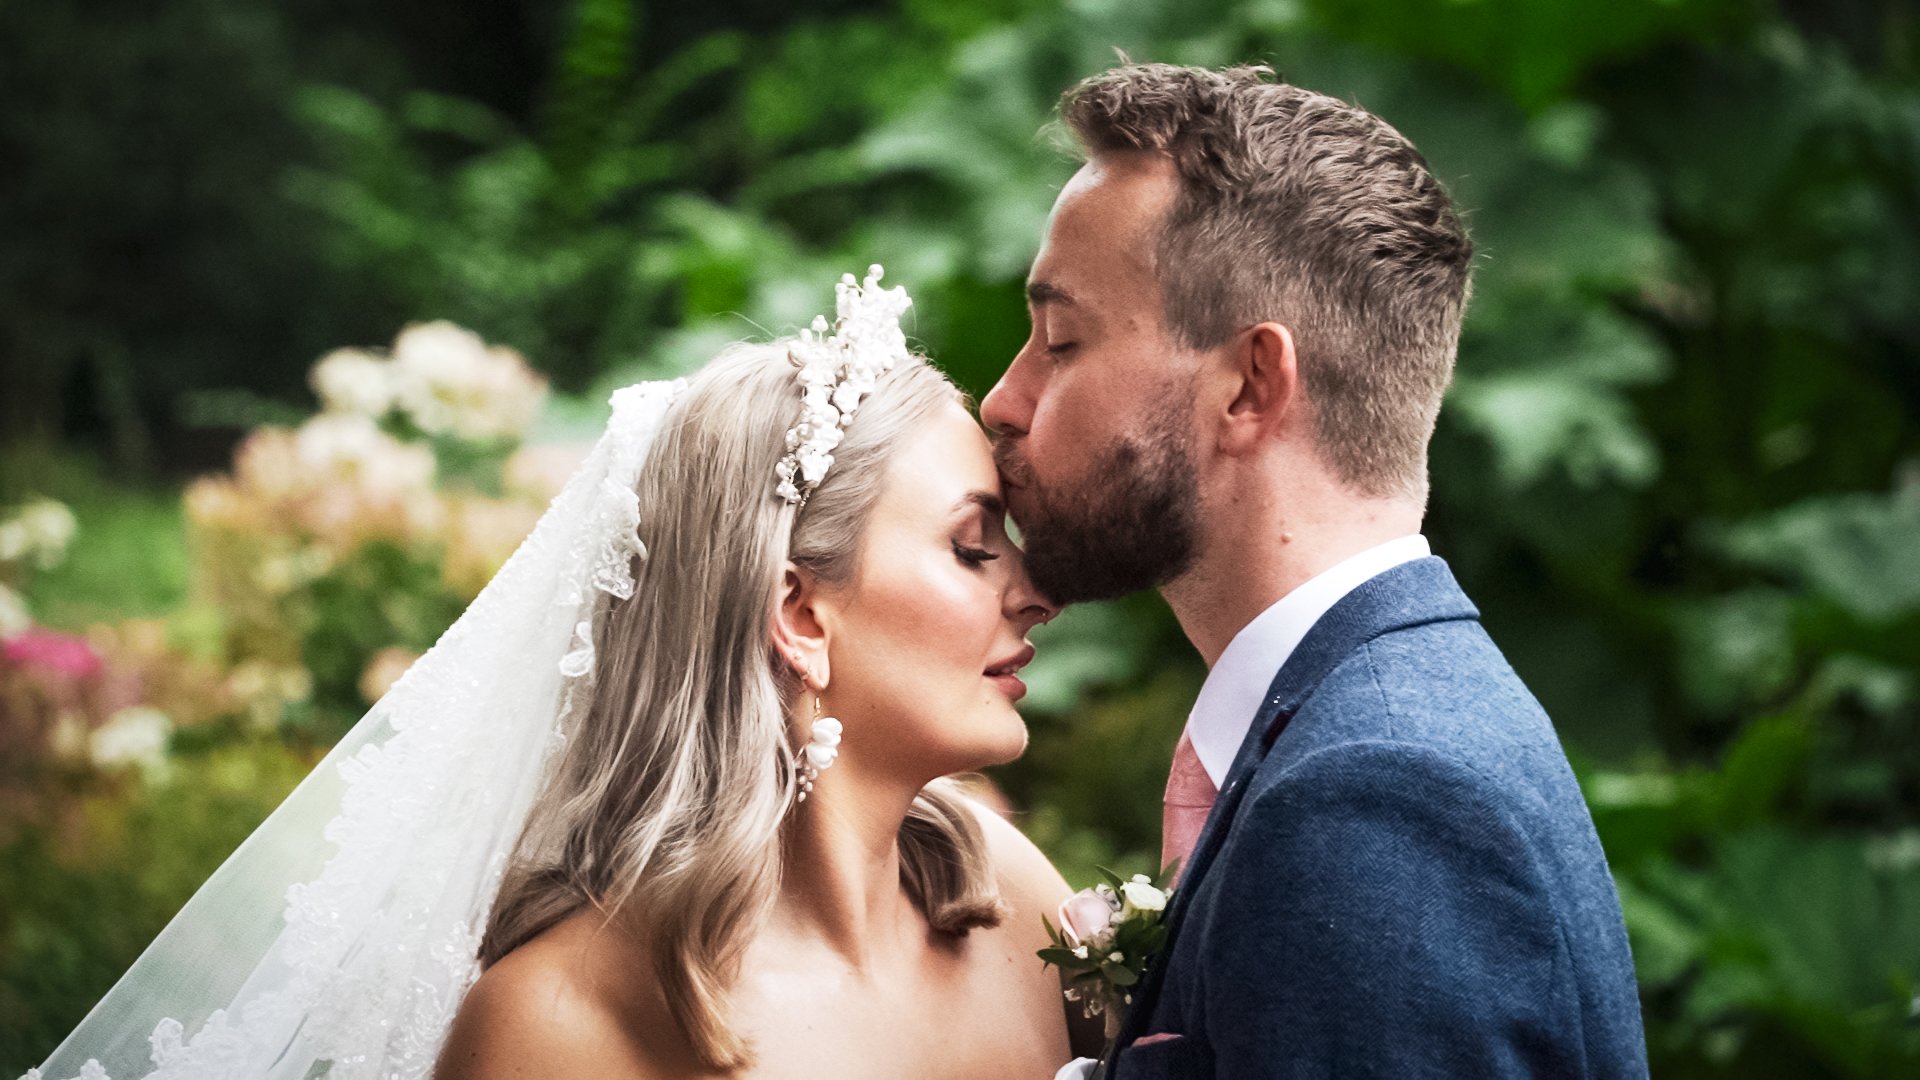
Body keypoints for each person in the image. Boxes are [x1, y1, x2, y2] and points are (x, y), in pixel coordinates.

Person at [27, 270, 1083, 1080]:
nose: (1035, 591)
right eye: (974, 544)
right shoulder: (559, 1026)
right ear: (802, 615)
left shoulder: (1010, 900)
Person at [983, 64, 1649, 1078]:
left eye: (1061, 341)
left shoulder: (1375, 797)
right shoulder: (1385, 729)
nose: (1004, 400)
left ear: (1250, 385)